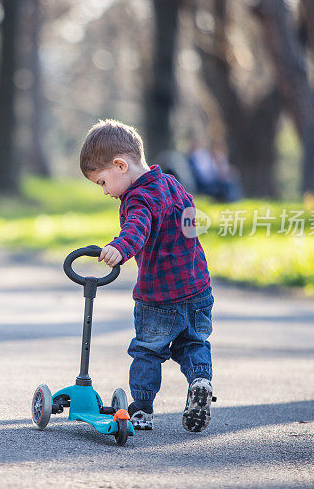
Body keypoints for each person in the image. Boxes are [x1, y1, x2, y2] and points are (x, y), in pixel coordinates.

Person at [79, 119, 215, 432]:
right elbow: (192, 222)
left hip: (159, 296)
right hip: (197, 287)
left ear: (119, 165)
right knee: (193, 343)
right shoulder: (172, 183)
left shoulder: (137, 198)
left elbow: (136, 228)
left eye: (102, 182)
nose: (105, 192)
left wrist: (119, 248)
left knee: (147, 351)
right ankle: (200, 382)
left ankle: (141, 410)